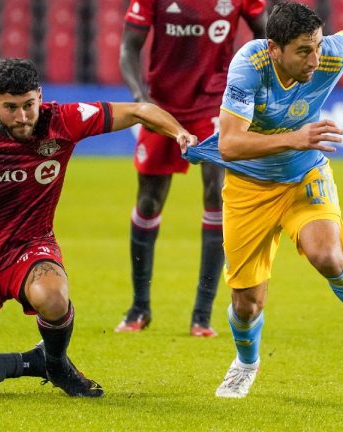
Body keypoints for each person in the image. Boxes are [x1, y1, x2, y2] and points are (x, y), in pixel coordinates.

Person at [0, 58, 196, 397]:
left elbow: (139, 110)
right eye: (11, 107)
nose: (23, 116)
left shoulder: (64, 120)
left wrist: (179, 132)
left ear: (40, 96)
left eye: (29, 104)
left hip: (31, 249)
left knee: (52, 297)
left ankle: (57, 363)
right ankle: (32, 362)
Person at [183, 2, 343, 398]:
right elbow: (229, 144)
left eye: (316, 46)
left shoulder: (326, 53)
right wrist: (295, 137)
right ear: (275, 49)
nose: (315, 58)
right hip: (249, 187)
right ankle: (246, 362)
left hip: (303, 174)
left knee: (326, 254)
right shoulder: (250, 66)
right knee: (246, 304)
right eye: (303, 51)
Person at [116, 0, 268, 337]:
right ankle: (139, 307)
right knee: (149, 202)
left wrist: (247, 80)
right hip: (163, 104)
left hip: (216, 103)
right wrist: (141, 100)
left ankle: (202, 315)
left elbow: (266, 35)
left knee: (216, 194)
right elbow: (128, 48)